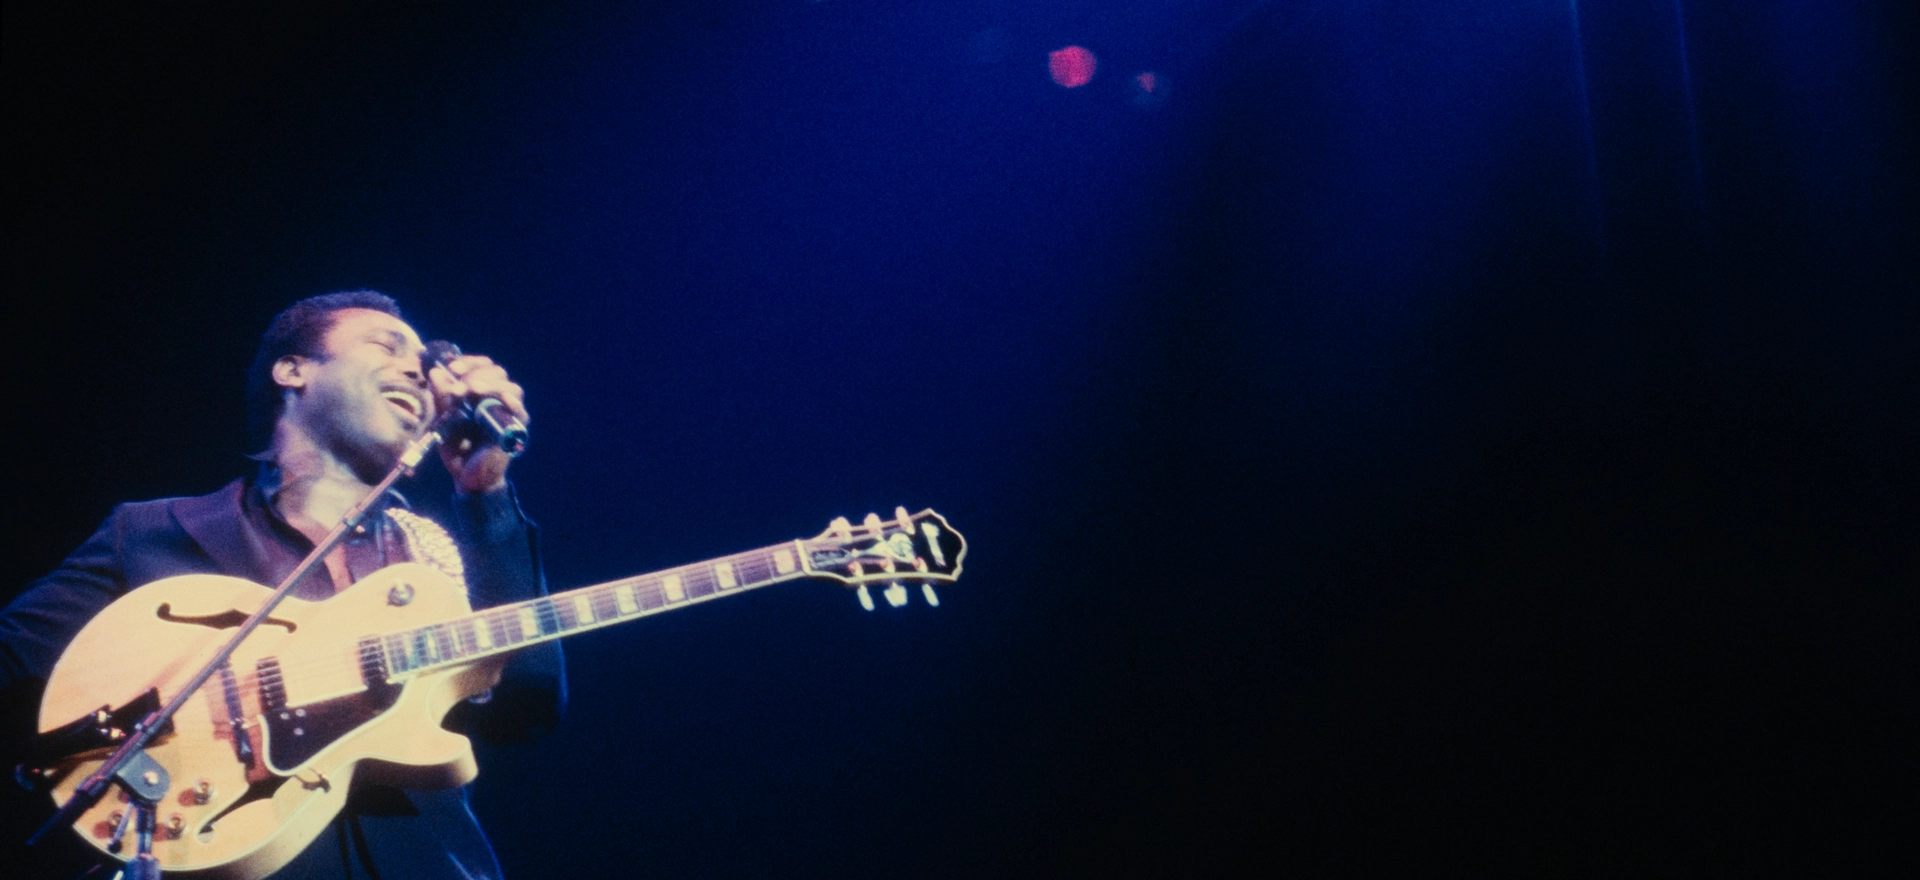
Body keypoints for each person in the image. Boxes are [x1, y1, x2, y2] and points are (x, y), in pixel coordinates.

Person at [0, 290, 564, 879]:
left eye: (427, 368)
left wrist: (486, 496)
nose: (417, 374)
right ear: (293, 369)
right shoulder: (152, 533)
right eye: (386, 345)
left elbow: (525, 702)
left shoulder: (428, 563)